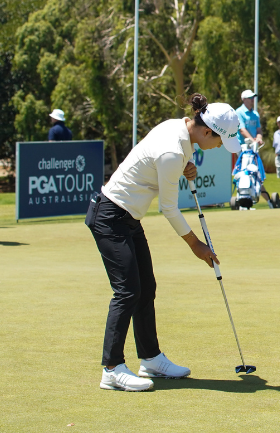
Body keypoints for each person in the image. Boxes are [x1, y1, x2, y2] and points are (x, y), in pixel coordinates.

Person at [87, 93, 241, 391]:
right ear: (207, 131)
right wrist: (196, 245)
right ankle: (111, 369)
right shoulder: (174, 150)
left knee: (146, 288)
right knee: (127, 291)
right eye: (220, 140)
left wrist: (185, 166)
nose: (220, 146)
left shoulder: (178, 129)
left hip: (128, 218)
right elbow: (168, 208)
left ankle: (150, 358)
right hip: (110, 217)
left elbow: (160, 163)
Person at [236, 89, 275, 206]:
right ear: (244, 100)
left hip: (253, 148)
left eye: (253, 98)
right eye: (250, 98)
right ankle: (242, 198)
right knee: (244, 171)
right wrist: (253, 140)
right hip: (242, 147)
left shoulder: (255, 114)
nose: (252, 100)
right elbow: (242, 130)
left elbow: (258, 130)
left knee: (254, 172)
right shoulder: (239, 112)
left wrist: (258, 138)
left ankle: (253, 197)